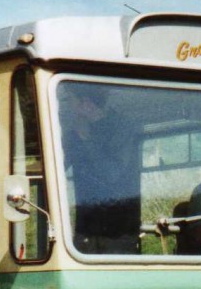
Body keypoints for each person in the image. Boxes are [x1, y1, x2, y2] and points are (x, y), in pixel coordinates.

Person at [58, 90, 140, 254]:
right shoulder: (74, 133)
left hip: (118, 229)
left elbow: (111, 173)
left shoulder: (121, 128)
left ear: (86, 103)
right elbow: (58, 165)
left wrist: (86, 138)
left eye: (70, 101)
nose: (67, 107)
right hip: (86, 226)